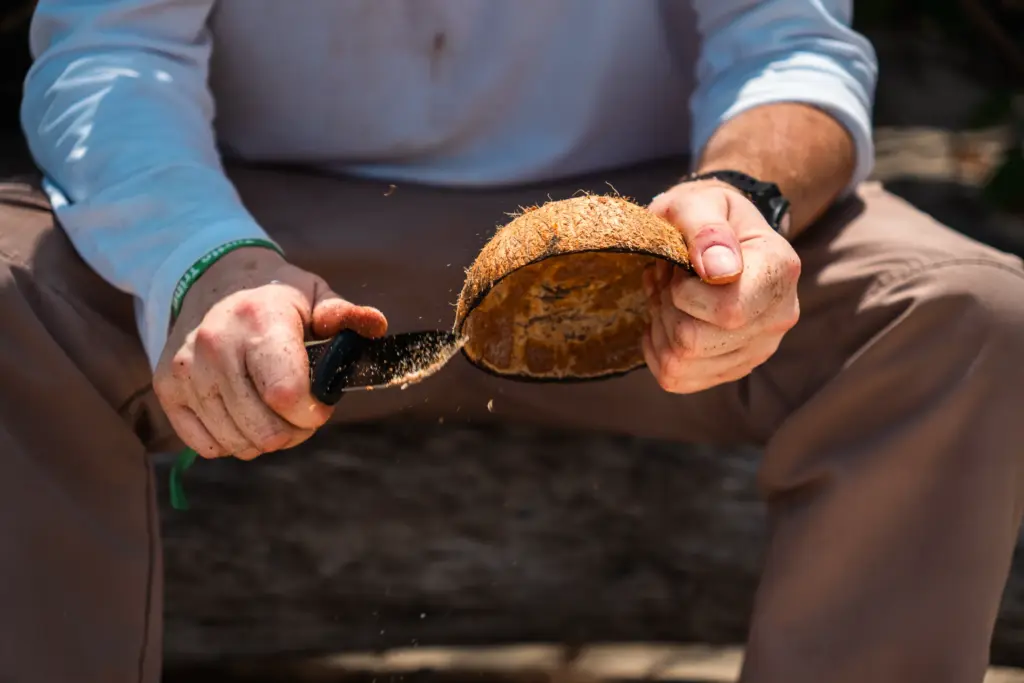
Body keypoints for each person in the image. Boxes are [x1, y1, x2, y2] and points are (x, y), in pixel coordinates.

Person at [4, 0, 1023, 681]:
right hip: (255, 225)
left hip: (659, 234)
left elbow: (787, 42)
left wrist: (738, 204)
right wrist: (197, 258)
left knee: (964, 314)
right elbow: (114, 49)